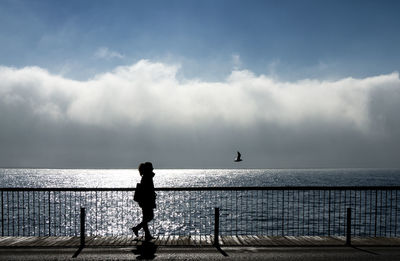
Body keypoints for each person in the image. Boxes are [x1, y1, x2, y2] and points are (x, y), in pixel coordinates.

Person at [132, 162, 157, 241]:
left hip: (144, 200)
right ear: (148, 169)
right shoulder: (147, 177)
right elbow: (147, 189)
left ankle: (147, 235)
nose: (153, 168)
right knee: (149, 217)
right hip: (147, 200)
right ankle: (137, 228)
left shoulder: (146, 176)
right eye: (151, 167)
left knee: (146, 217)